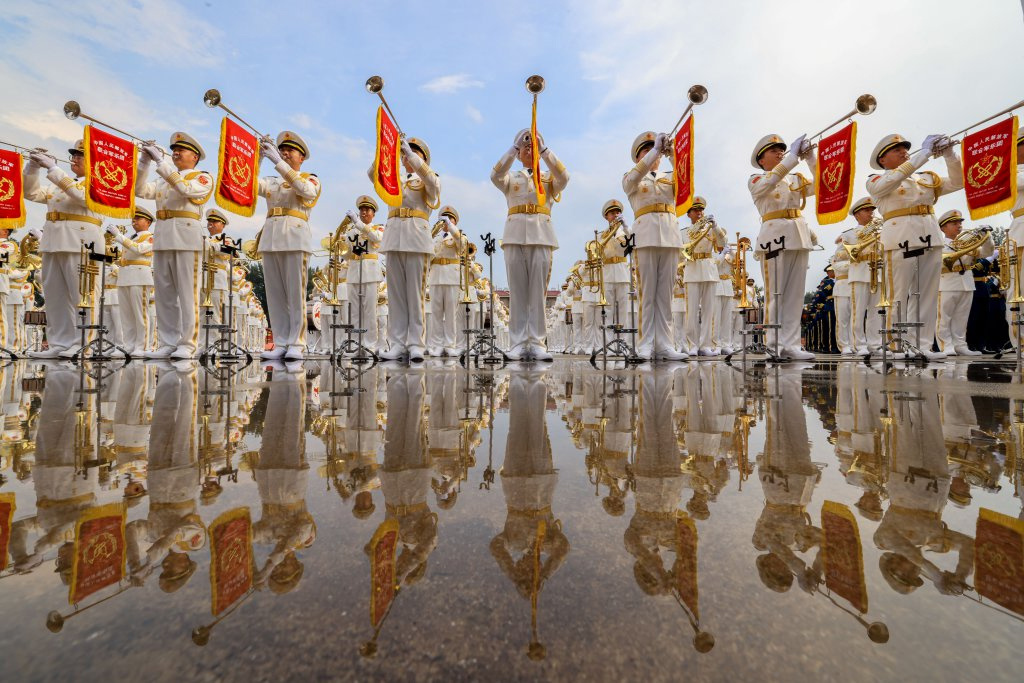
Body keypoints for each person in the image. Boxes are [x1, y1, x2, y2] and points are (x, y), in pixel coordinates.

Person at [867, 132, 964, 360]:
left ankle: (922, 345)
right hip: (900, 240)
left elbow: (958, 182)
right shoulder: (875, 179)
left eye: (905, 148)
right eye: (896, 149)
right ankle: (895, 344)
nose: (903, 151)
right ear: (883, 160)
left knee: (926, 295)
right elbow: (886, 184)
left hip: (930, 238)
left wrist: (950, 155)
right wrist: (924, 154)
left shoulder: (925, 177)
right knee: (898, 294)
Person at [492, 129, 569, 361]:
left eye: (531, 146)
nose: (528, 149)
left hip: (541, 234)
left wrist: (544, 150)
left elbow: (564, 179)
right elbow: (495, 176)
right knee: (517, 291)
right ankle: (517, 343)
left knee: (538, 292)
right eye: (525, 147)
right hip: (514, 234)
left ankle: (536, 342)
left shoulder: (547, 176)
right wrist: (514, 147)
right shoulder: (511, 176)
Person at [135, 132, 213, 360]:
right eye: (174, 149)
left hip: (187, 237)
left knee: (188, 293)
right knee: (165, 294)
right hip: (163, 236)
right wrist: (144, 162)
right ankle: (168, 343)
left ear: (195, 156)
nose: (176, 152)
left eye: (182, 149)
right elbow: (140, 190)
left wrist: (161, 162)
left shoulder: (202, 177)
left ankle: (188, 343)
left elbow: (187, 190)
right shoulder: (163, 178)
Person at [23, 140, 103, 358]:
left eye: (80, 155)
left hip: (82, 243)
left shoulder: (100, 182)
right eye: (74, 155)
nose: (75, 158)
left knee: (83, 294)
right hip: (53, 242)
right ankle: (59, 343)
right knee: (55, 295)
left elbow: (82, 196)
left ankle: (85, 344)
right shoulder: (60, 184)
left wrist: (52, 168)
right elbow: (30, 193)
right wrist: (32, 167)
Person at [749, 133, 817, 360]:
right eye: (773, 151)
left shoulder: (794, 178)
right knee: (775, 294)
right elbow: (767, 185)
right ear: (761, 160)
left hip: (798, 236)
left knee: (795, 295)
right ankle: (773, 343)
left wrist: (810, 159)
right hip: (774, 238)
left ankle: (791, 345)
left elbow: (821, 185)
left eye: (782, 149)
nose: (780, 153)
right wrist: (791, 160)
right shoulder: (756, 179)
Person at [623, 132, 686, 361]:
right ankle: (646, 343)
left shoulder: (670, 177)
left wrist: (673, 155)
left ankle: (665, 344)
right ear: (640, 156)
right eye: (647, 150)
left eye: (655, 149)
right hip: (646, 235)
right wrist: (654, 152)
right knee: (647, 294)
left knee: (665, 295)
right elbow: (630, 182)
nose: (654, 154)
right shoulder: (633, 176)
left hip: (670, 234)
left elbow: (686, 186)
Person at [257, 131, 320, 361]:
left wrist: (278, 163)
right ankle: (281, 342)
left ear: (301, 157)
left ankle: (297, 342)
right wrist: (259, 158)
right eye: (281, 149)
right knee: (274, 295)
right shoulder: (272, 181)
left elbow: (307, 192)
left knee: (295, 294)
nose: (284, 153)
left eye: (289, 151)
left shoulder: (310, 177)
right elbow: (248, 185)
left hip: (295, 239)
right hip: (271, 238)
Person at [936, 210, 990, 355]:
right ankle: (945, 345)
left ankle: (960, 345)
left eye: (960, 223)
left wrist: (987, 237)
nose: (959, 226)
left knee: (961, 318)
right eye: (954, 223)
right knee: (944, 318)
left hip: (966, 282)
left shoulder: (967, 243)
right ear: (943, 228)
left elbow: (987, 253)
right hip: (947, 283)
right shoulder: (939, 244)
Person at [681, 196, 727, 356]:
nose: (699, 212)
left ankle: (706, 345)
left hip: (709, 270)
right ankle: (692, 345)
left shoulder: (710, 230)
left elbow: (722, 244)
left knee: (709, 311)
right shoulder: (684, 233)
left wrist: (716, 227)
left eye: (701, 210)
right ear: (689, 214)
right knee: (691, 311)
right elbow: (681, 253)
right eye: (695, 210)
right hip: (692, 270)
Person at [341, 195, 385, 353]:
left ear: (373, 213)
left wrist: (358, 224)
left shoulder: (378, 228)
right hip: (353, 271)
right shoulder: (352, 230)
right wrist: (339, 253)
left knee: (369, 310)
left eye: (367, 210)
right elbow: (348, 251)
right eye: (361, 210)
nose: (364, 212)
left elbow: (377, 239)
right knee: (354, 310)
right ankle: (354, 341)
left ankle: (370, 343)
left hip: (370, 272)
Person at [838, 197, 881, 355]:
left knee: (876, 312)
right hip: (859, 272)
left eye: (872, 210)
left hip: (877, 273)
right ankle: (859, 344)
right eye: (867, 210)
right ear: (856, 215)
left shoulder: (880, 231)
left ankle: (874, 344)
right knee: (858, 311)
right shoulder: (848, 235)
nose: (871, 213)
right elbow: (841, 255)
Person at [426, 205, 465, 356]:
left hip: (451, 278)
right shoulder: (433, 238)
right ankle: (436, 345)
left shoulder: (458, 235)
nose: (446, 222)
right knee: (436, 313)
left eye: (450, 219)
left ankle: (450, 344)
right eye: (443, 219)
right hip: (435, 277)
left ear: (454, 221)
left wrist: (451, 228)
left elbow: (462, 246)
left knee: (450, 314)